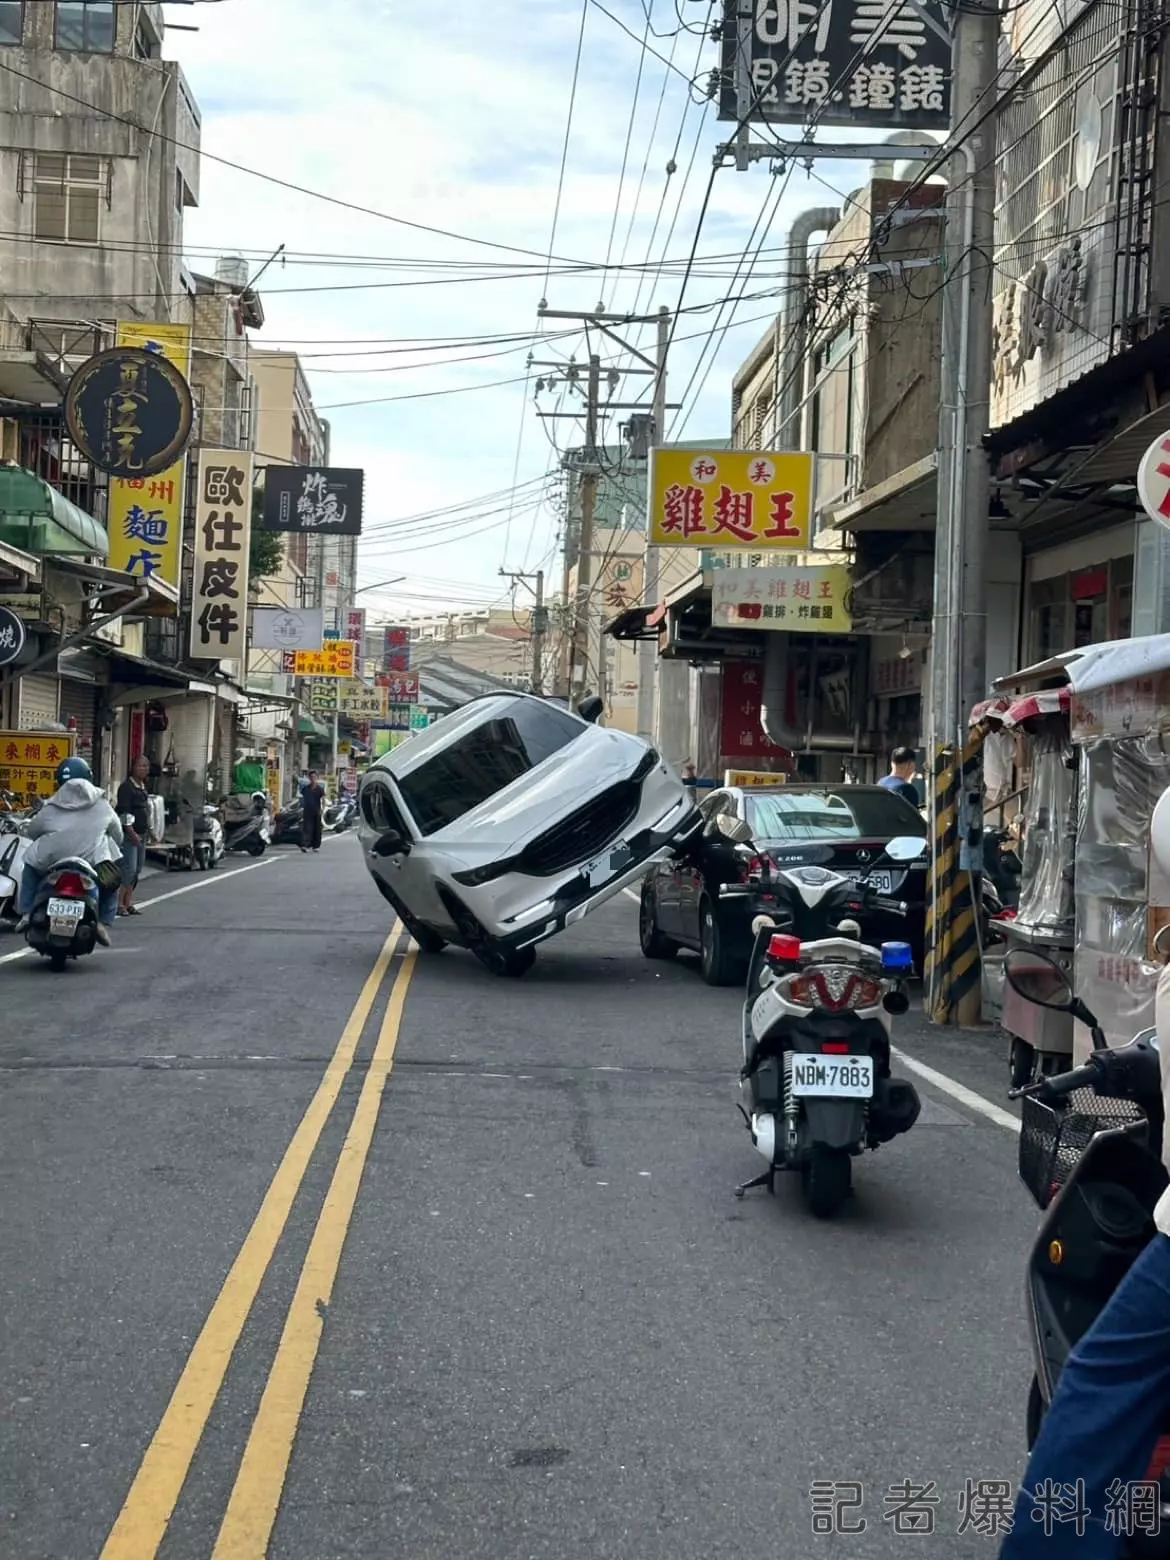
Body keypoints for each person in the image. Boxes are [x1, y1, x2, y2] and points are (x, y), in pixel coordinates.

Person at [16, 756, 122, 946]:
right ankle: (103, 922)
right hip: (91, 862)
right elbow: (118, 834)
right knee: (111, 880)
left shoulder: (51, 806)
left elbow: (33, 831)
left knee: (30, 866)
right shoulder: (102, 806)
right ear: (89, 777)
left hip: (52, 859)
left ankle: (26, 913)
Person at [116, 753, 151, 917]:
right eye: (141, 765)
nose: (144, 769)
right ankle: (119, 903)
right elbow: (124, 812)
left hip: (142, 834)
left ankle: (129, 902)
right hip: (130, 835)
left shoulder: (143, 787)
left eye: (146, 766)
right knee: (128, 870)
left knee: (137, 870)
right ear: (133, 768)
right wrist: (131, 832)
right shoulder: (126, 788)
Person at [301, 770, 326, 852]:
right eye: (311, 777)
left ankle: (316, 846)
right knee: (307, 829)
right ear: (309, 778)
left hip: (317, 811)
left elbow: (323, 799)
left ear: (317, 778)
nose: (313, 779)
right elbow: (302, 799)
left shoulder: (320, 789)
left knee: (317, 829)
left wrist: (323, 809)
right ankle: (306, 845)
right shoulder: (306, 789)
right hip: (307, 811)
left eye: (314, 777)